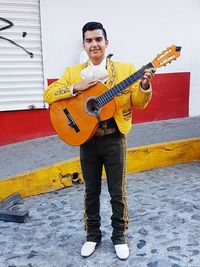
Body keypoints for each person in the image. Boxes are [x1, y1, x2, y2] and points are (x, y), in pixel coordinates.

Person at [44, 21, 155, 260]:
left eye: (98, 40)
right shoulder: (73, 72)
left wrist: (144, 86)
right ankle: (92, 235)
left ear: (106, 42)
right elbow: (49, 94)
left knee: (118, 192)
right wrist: (76, 87)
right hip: (87, 139)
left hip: (114, 138)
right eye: (89, 40)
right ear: (84, 45)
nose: (94, 44)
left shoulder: (126, 70)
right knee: (91, 191)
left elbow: (138, 101)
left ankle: (119, 237)